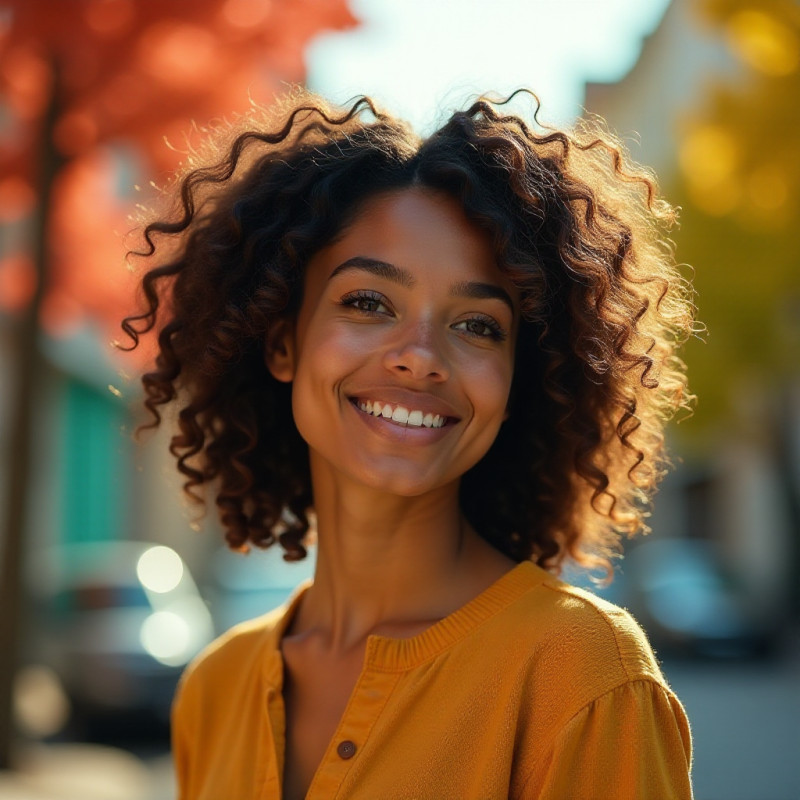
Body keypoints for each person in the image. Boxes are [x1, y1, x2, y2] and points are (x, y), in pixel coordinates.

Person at [121, 89, 695, 799]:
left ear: (519, 381)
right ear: (281, 341)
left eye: (478, 324)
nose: (420, 356)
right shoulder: (216, 685)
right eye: (368, 302)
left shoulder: (580, 673)